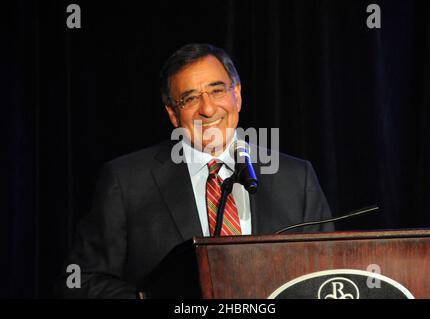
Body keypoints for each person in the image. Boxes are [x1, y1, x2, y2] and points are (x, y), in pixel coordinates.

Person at [56, 43, 333, 298]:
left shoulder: (296, 178)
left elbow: (328, 276)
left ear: (236, 95)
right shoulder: (126, 181)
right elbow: (81, 280)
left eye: (217, 90)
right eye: (189, 99)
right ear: (173, 115)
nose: (208, 108)